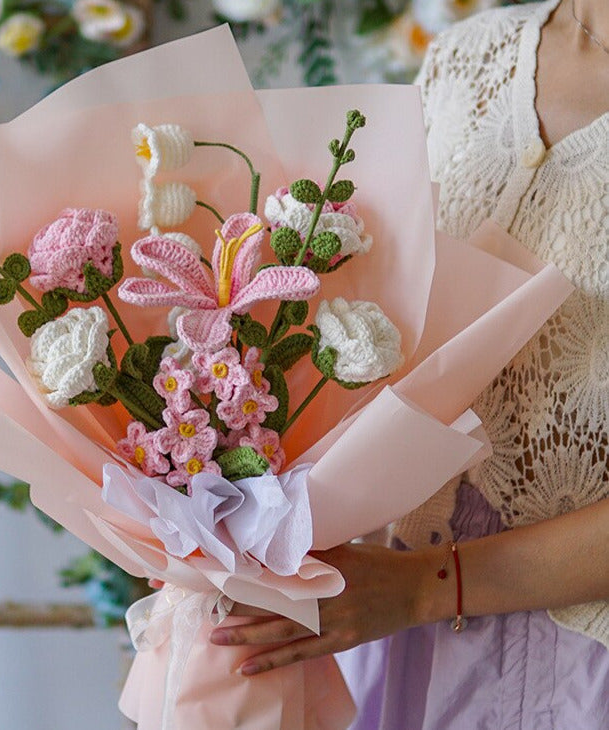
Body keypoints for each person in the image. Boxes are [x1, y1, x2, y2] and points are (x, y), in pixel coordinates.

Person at [208, 0, 609, 726]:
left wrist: (429, 587)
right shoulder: (466, 56)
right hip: (393, 626)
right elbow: (369, 318)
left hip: (575, 653)